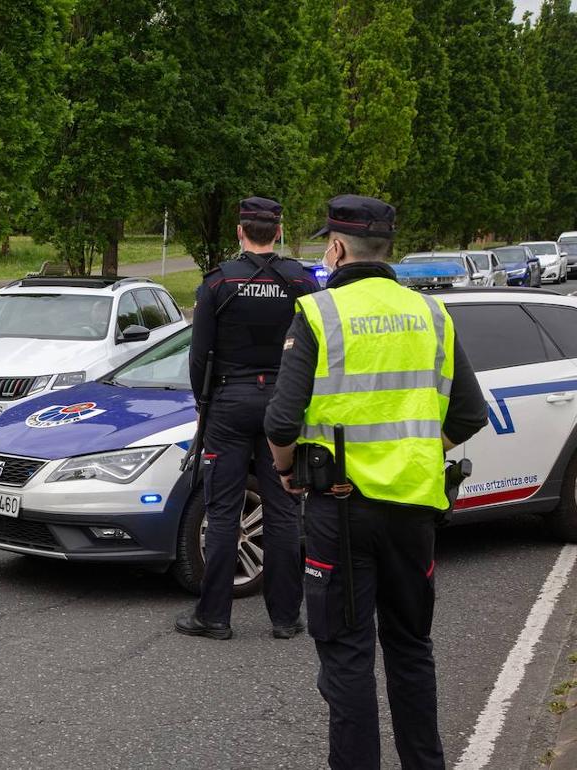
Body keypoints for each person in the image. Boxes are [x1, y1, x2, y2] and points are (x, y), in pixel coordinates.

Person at [264, 195, 488, 769]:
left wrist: (287, 472)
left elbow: (282, 421)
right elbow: (467, 415)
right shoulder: (433, 314)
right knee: (412, 650)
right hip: (414, 510)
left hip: (340, 511)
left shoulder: (318, 313)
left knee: (347, 657)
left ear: (336, 248)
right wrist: (413, 449)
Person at [174, 196, 320, 642]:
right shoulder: (301, 281)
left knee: (222, 512)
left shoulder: (218, 283)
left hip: (229, 403)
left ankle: (214, 616)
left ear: (240, 231)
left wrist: (203, 405)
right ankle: (285, 617)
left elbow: (199, 357)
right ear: (278, 231)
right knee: (282, 512)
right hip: (284, 403)